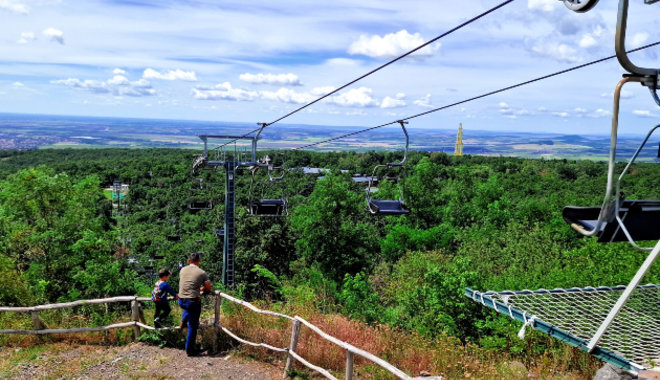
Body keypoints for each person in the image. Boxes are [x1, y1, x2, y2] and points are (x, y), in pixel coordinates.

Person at [178, 252, 212, 356]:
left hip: (181, 300)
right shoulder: (202, 272)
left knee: (188, 308)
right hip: (192, 301)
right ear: (199, 261)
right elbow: (208, 288)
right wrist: (201, 289)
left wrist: (197, 288)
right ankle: (189, 350)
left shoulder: (182, 270)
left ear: (189, 261)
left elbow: (188, 284)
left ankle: (183, 321)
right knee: (193, 326)